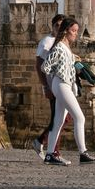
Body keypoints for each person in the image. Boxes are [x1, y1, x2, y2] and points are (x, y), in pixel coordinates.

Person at [41, 17, 95, 166]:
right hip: (61, 84)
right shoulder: (59, 47)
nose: (76, 34)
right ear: (66, 31)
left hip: (64, 84)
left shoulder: (66, 48)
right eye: (73, 31)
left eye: (77, 31)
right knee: (79, 117)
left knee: (59, 121)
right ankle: (83, 153)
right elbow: (45, 66)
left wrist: (74, 64)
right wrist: (53, 79)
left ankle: (50, 155)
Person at [31, 13, 66, 159]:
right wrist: (45, 86)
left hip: (62, 86)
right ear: (52, 26)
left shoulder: (61, 42)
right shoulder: (47, 41)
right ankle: (53, 151)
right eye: (56, 25)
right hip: (53, 87)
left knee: (62, 118)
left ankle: (41, 142)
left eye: (61, 26)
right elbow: (39, 64)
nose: (58, 28)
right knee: (58, 119)